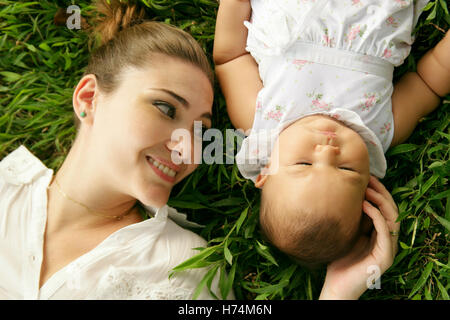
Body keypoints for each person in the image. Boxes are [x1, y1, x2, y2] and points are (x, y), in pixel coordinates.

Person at [0, 0, 220, 300]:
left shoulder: (183, 267)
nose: (188, 149)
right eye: (166, 109)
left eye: (200, 132)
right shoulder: (6, 191)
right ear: (89, 99)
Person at [213, 0, 449, 269]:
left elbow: (229, 57)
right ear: (369, 186)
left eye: (303, 163)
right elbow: (427, 82)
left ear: (266, 170)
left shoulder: (259, 123)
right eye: (346, 168)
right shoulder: (379, 132)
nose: (327, 150)